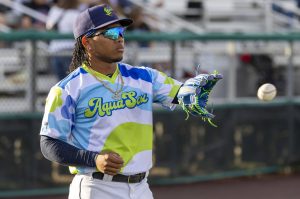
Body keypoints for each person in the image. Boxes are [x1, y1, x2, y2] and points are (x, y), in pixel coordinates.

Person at [40, 4, 222, 199]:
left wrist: (194, 91)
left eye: (121, 31)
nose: (119, 38)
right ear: (87, 42)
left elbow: (182, 94)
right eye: (110, 32)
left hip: (141, 188)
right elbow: (49, 143)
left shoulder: (144, 77)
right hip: (96, 187)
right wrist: (93, 159)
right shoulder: (67, 89)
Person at [46, 0, 81, 80]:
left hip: (55, 51)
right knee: (71, 81)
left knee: (61, 82)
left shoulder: (54, 10)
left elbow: (48, 27)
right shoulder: (76, 14)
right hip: (69, 51)